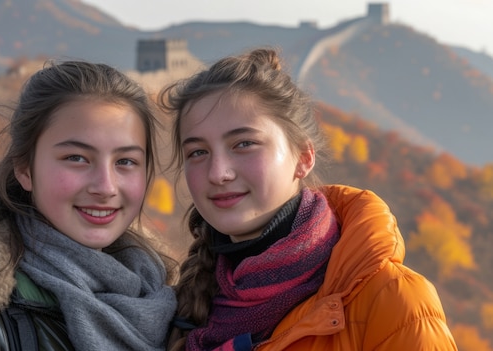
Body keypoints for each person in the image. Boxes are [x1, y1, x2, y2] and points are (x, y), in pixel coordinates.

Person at [159, 48, 457, 351]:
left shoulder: (391, 302)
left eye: (244, 144)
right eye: (198, 152)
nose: (218, 173)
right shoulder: (182, 306)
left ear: (303, 157)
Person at [0, 60, 177, 351]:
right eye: (76, 158)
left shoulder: (164, 305)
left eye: (125, 162)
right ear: (24, 169)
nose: (105, 187)